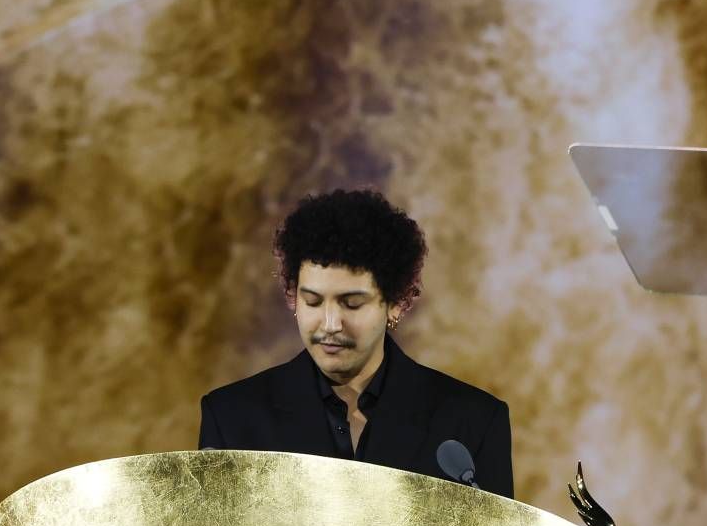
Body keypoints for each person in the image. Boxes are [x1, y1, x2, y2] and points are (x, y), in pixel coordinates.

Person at [198, 188, 514, 498]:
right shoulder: (231, 418)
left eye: (351, 304)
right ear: (294, 297)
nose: (330, 324)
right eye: (312, 301)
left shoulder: (474, 422)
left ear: (395, 303)